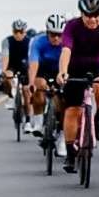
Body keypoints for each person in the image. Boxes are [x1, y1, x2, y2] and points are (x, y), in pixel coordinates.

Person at [55, 0, 99, 176]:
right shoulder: (72, 26)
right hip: (75, 68)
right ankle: (71, 154)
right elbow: (66, 50)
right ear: (82, 14)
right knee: (72, 110)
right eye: (88, 15)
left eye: (96, 15)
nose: (93, 19)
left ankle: (98, 120)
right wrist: (63, 71)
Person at [27, 16, 66, 144]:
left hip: (60, 71)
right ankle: (38, 124)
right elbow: (33, 63)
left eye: (59, 35)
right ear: (47, 32)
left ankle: (61, 132)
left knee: (62, 101)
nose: (56, 38)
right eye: (53, 34)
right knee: (39, 86)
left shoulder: (67, 43)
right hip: (42, 70)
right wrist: (31, 82)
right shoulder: (38, 42)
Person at [0, 19, 32, 99]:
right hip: (12, 65)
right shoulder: (6, 41)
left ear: (25, 32)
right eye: (15, 32)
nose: (18, 34)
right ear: (12, 31)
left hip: (25, 65)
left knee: (26, 91)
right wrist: (3, 71)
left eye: (21, 32)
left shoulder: (30, 41)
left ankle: (28, 110)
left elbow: (33, 59)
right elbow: (5, 56)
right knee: (7, 76)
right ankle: (11, 93)